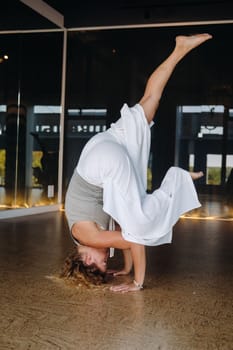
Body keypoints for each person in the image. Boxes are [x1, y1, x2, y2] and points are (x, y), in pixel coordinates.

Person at [64, 33, 212, 293]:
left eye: (100, 263)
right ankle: (179, 49)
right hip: (99, 149)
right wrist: (127, 268)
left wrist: (137, 282)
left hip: (104, 164)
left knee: (142, 222)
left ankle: (177, 179)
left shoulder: (89, 236)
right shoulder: (84, 233)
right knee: (150, 101)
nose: (105, 259)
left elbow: (134, 238)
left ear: (86, 258)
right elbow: (122, 225)